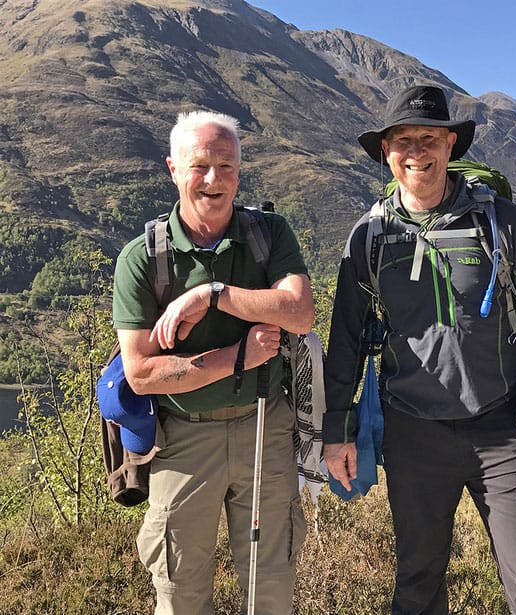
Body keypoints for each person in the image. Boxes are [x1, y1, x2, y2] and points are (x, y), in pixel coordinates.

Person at [323, 84, 516, 615]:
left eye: (429, 138)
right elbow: (346, 344)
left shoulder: (500, 224)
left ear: (451, 145)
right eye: (403, 141)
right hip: (413, 432)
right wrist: (336, 432)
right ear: (386, 151)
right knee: (418, 582)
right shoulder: (370, 239)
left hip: (502, 427)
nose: (416, 152)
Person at [112, 110, 314, 614]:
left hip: (265, 428)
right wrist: (238, 357)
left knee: (268, 589)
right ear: (173, 169)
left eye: (226, 166)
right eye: (200, 165)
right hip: (182, 438)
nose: (213, 179)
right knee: (180, 593)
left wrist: (212, 294)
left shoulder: (270, 234)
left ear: (240, 173)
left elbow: (301, 313)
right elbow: (140, 373)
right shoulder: (143, 259)